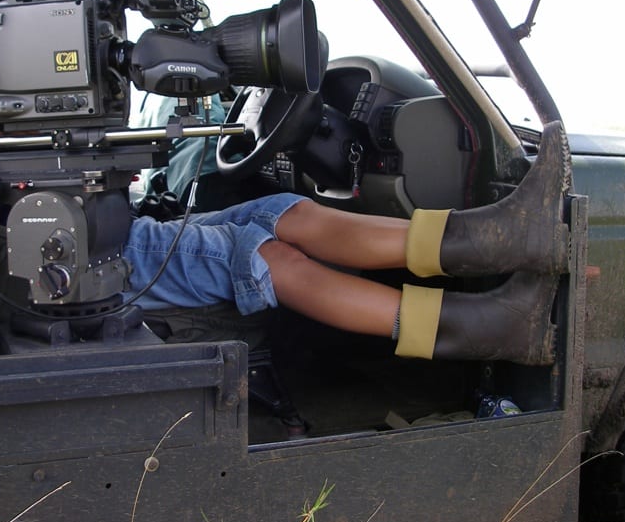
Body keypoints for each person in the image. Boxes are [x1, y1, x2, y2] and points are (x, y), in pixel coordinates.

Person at [124, 121, 570, 366]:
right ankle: (492, 326)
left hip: (115, 226)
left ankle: (504, 236)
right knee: (261, 257)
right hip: (105, 254)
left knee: (280, 210)